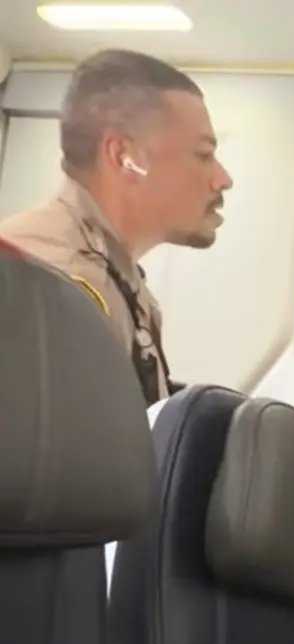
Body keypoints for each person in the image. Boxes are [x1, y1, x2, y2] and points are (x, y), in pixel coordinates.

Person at [0, 48, 233, 405]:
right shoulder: (52, 279)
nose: (222, 178)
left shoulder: (114, 277)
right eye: (203, 155)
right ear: (124, 157)